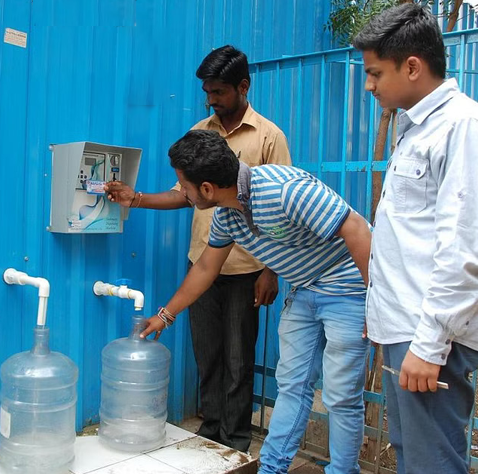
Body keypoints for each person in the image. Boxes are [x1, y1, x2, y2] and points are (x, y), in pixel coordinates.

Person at [140, 129, 372, 474]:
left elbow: (356, 229)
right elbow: (206, 267)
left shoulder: (285, 190)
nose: (182, 192)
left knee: (340, 396)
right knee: (292, 385)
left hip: (350, 289)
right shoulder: (227, 215)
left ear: (206, 189)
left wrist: (377, 303)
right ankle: (272, 469)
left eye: (183, 185)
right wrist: (165, 315)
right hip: (306, 289)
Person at [105, 45, 291, 452]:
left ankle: (235, 441)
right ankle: (210, 434)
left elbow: (279, 212)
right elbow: (182, 195)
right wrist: (135, 199)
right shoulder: (199, 132)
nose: (212, 99)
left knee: (239, 361)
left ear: (243, 87)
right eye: (207, 92)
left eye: (220, 91)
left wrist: (271, 270)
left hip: (247, 268)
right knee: (207, 356)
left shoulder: (269, 136)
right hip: (203, 263)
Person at [353, 4, 478, 473]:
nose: (369, 84)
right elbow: (408, 240)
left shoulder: (464, 127)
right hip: (405, 329)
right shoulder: (416, 128)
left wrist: (429, 345)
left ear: (412, 67)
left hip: (429, 338)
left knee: (431, 464)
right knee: (412, 457)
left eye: (376, 72)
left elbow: (463, 250)